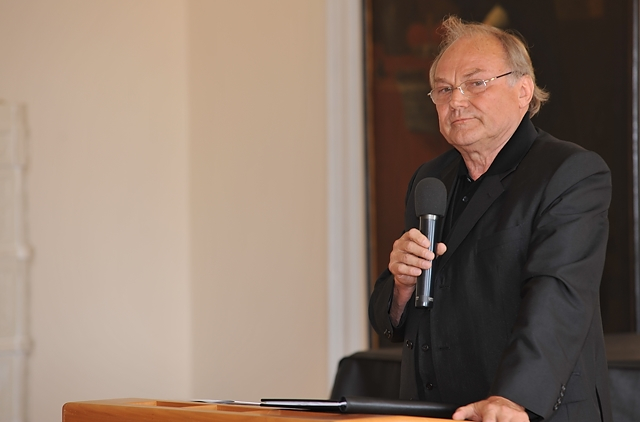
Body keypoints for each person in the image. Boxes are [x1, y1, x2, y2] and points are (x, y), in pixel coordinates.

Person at [368, 15, 612, 422]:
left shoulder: (569, 172)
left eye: (476, 83)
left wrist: (513, 398)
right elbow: (392, 320)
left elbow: (558, 297)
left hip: (525, 411)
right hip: (436, 412)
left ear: (523, 90)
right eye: (444, 89)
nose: (456, 101)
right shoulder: (430, 178)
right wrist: (401, 287)